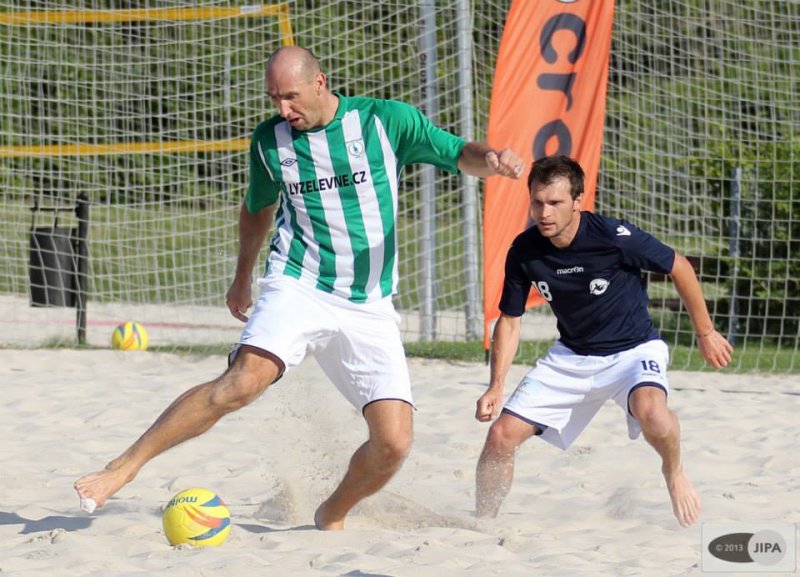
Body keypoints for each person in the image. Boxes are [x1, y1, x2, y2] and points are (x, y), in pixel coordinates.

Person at [74, 45, 524, 530]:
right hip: (299, 283)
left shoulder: (384, 121)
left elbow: (460, 153)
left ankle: (331, 513)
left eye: (290, 97)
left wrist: (494, 159)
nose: (283, 110)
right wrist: (242, 276)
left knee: (393, 443)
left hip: (369, 304)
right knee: (243, 382)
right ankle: (123, 467)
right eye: (274, 99)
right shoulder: (271, 141)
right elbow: (257, 208)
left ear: (320, 83)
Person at [474, 155, 733, 527]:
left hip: (633, 351)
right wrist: (496, 385)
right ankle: (482, 524)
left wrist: (706, 333)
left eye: (555, 203)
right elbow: (511, 320)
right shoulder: (524, 250)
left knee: (654, 417)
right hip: (572, 357)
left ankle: (674, 472)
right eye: (537, 202)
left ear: (578, 201)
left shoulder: (612, 237)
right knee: (500, 436)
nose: (544, 212)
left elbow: (679, 265)